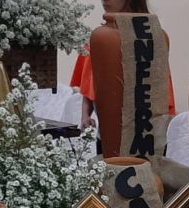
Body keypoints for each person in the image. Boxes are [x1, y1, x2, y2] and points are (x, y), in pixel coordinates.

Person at [70, 0, 176, 130]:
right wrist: (85, 115)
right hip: (107, 131)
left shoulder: (151, 38)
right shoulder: (98, 39)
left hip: (143, 131)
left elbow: (158, 91)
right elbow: (90, 84)